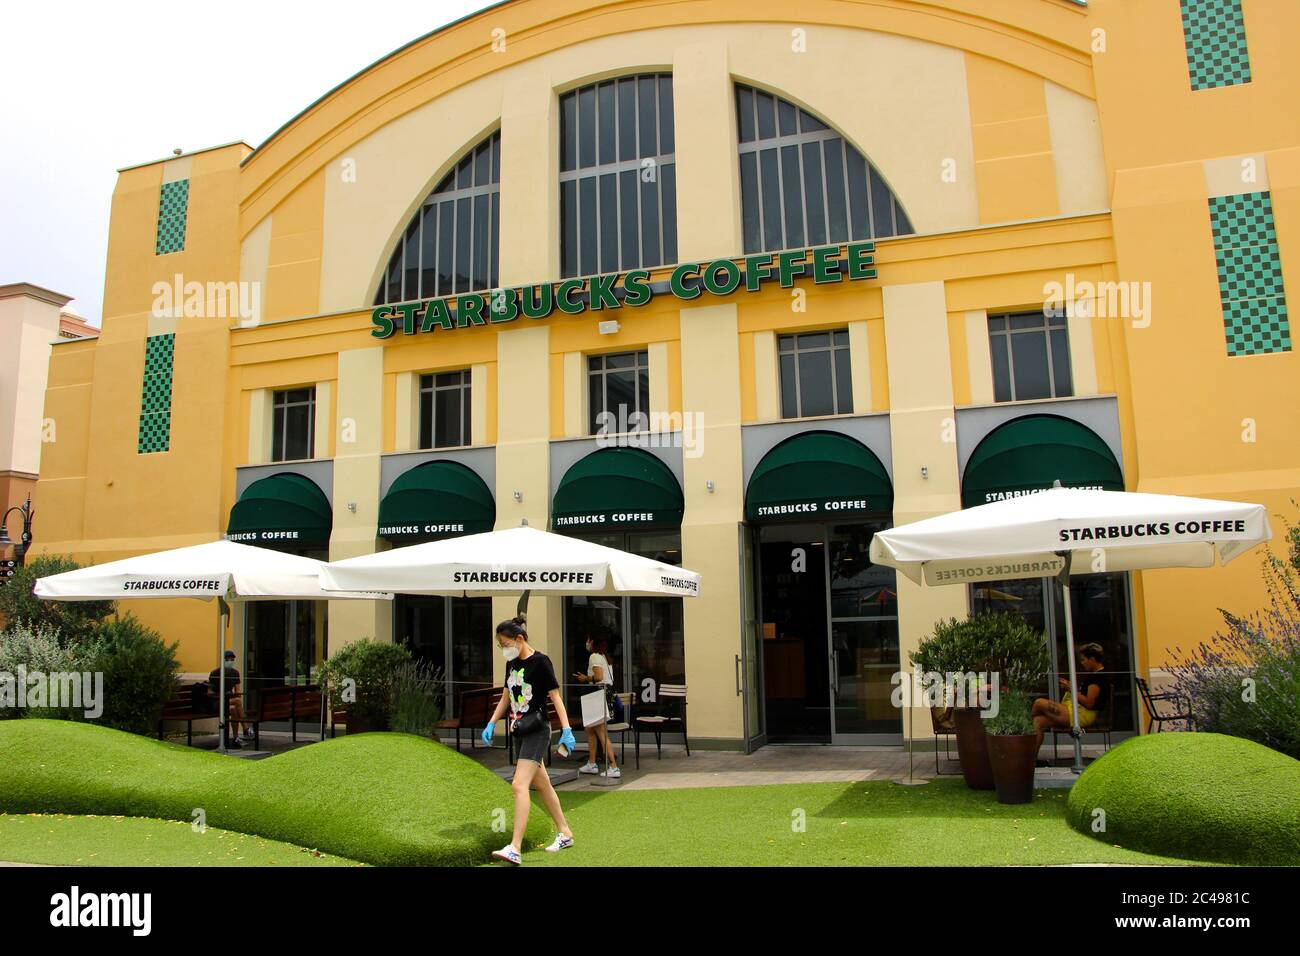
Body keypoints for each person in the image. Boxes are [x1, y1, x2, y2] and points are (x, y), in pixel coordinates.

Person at [481, 615, 577, 864]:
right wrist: (492, 722)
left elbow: (555, 697)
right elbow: (505, 696)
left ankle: (515, 847)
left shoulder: (541, 662)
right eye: (501, 645)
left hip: (537, 730)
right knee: (543, 784)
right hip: (519, 730)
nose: (504, 650)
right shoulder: (511, 664)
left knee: (518, 785)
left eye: (505, 644)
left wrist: (566, 730)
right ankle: (565, 832)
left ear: (519, 639)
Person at [1031, 642, 1109, 755]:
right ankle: (1031, 758)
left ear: (1091, 659)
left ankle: (1022, 732)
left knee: (1039, 703)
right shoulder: (1094, 675)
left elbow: (1089, 703)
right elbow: (1083, 696)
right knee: (1038, 721)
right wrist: (1071, 687)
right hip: (1075, 710)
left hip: (1082, 715)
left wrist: (1071, 689)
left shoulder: (1097, 678)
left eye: (1083, 660)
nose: (1082, 663)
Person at [573, 633, 620, 779]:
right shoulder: (605, 657)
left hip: (597, 695)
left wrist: (585, 678)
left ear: (592, 642)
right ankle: (592, 762)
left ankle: (613, 766)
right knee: (590, 729)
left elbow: (598, 677)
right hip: (604, 695)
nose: (586, 643)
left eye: (588, 640)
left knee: (600, 732)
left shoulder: (594, 657)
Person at [207, 650, 249, 748]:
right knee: (238, 702)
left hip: (229, 702)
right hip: (217, 702)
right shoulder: (215, 673)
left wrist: (235, 695)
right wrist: (221, 694)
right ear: (223, 660)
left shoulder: (235, 673)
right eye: (227, 659)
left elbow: (238, 691)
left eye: (232, 659)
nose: (230, 661)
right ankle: (246, 728)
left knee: (233, 709)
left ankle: (235, 737)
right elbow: (209, 692)